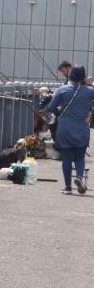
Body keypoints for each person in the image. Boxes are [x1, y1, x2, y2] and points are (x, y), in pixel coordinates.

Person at [46, 65, 94, 195]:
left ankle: (67, 187)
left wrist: (59, 113)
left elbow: (51, 107)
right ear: (83, 77)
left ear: (71, 75)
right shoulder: (90, 91)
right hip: (82, 127)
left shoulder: (63, 89)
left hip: (64, 127)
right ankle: (79, 176)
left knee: (66, 157)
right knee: (79, 157)